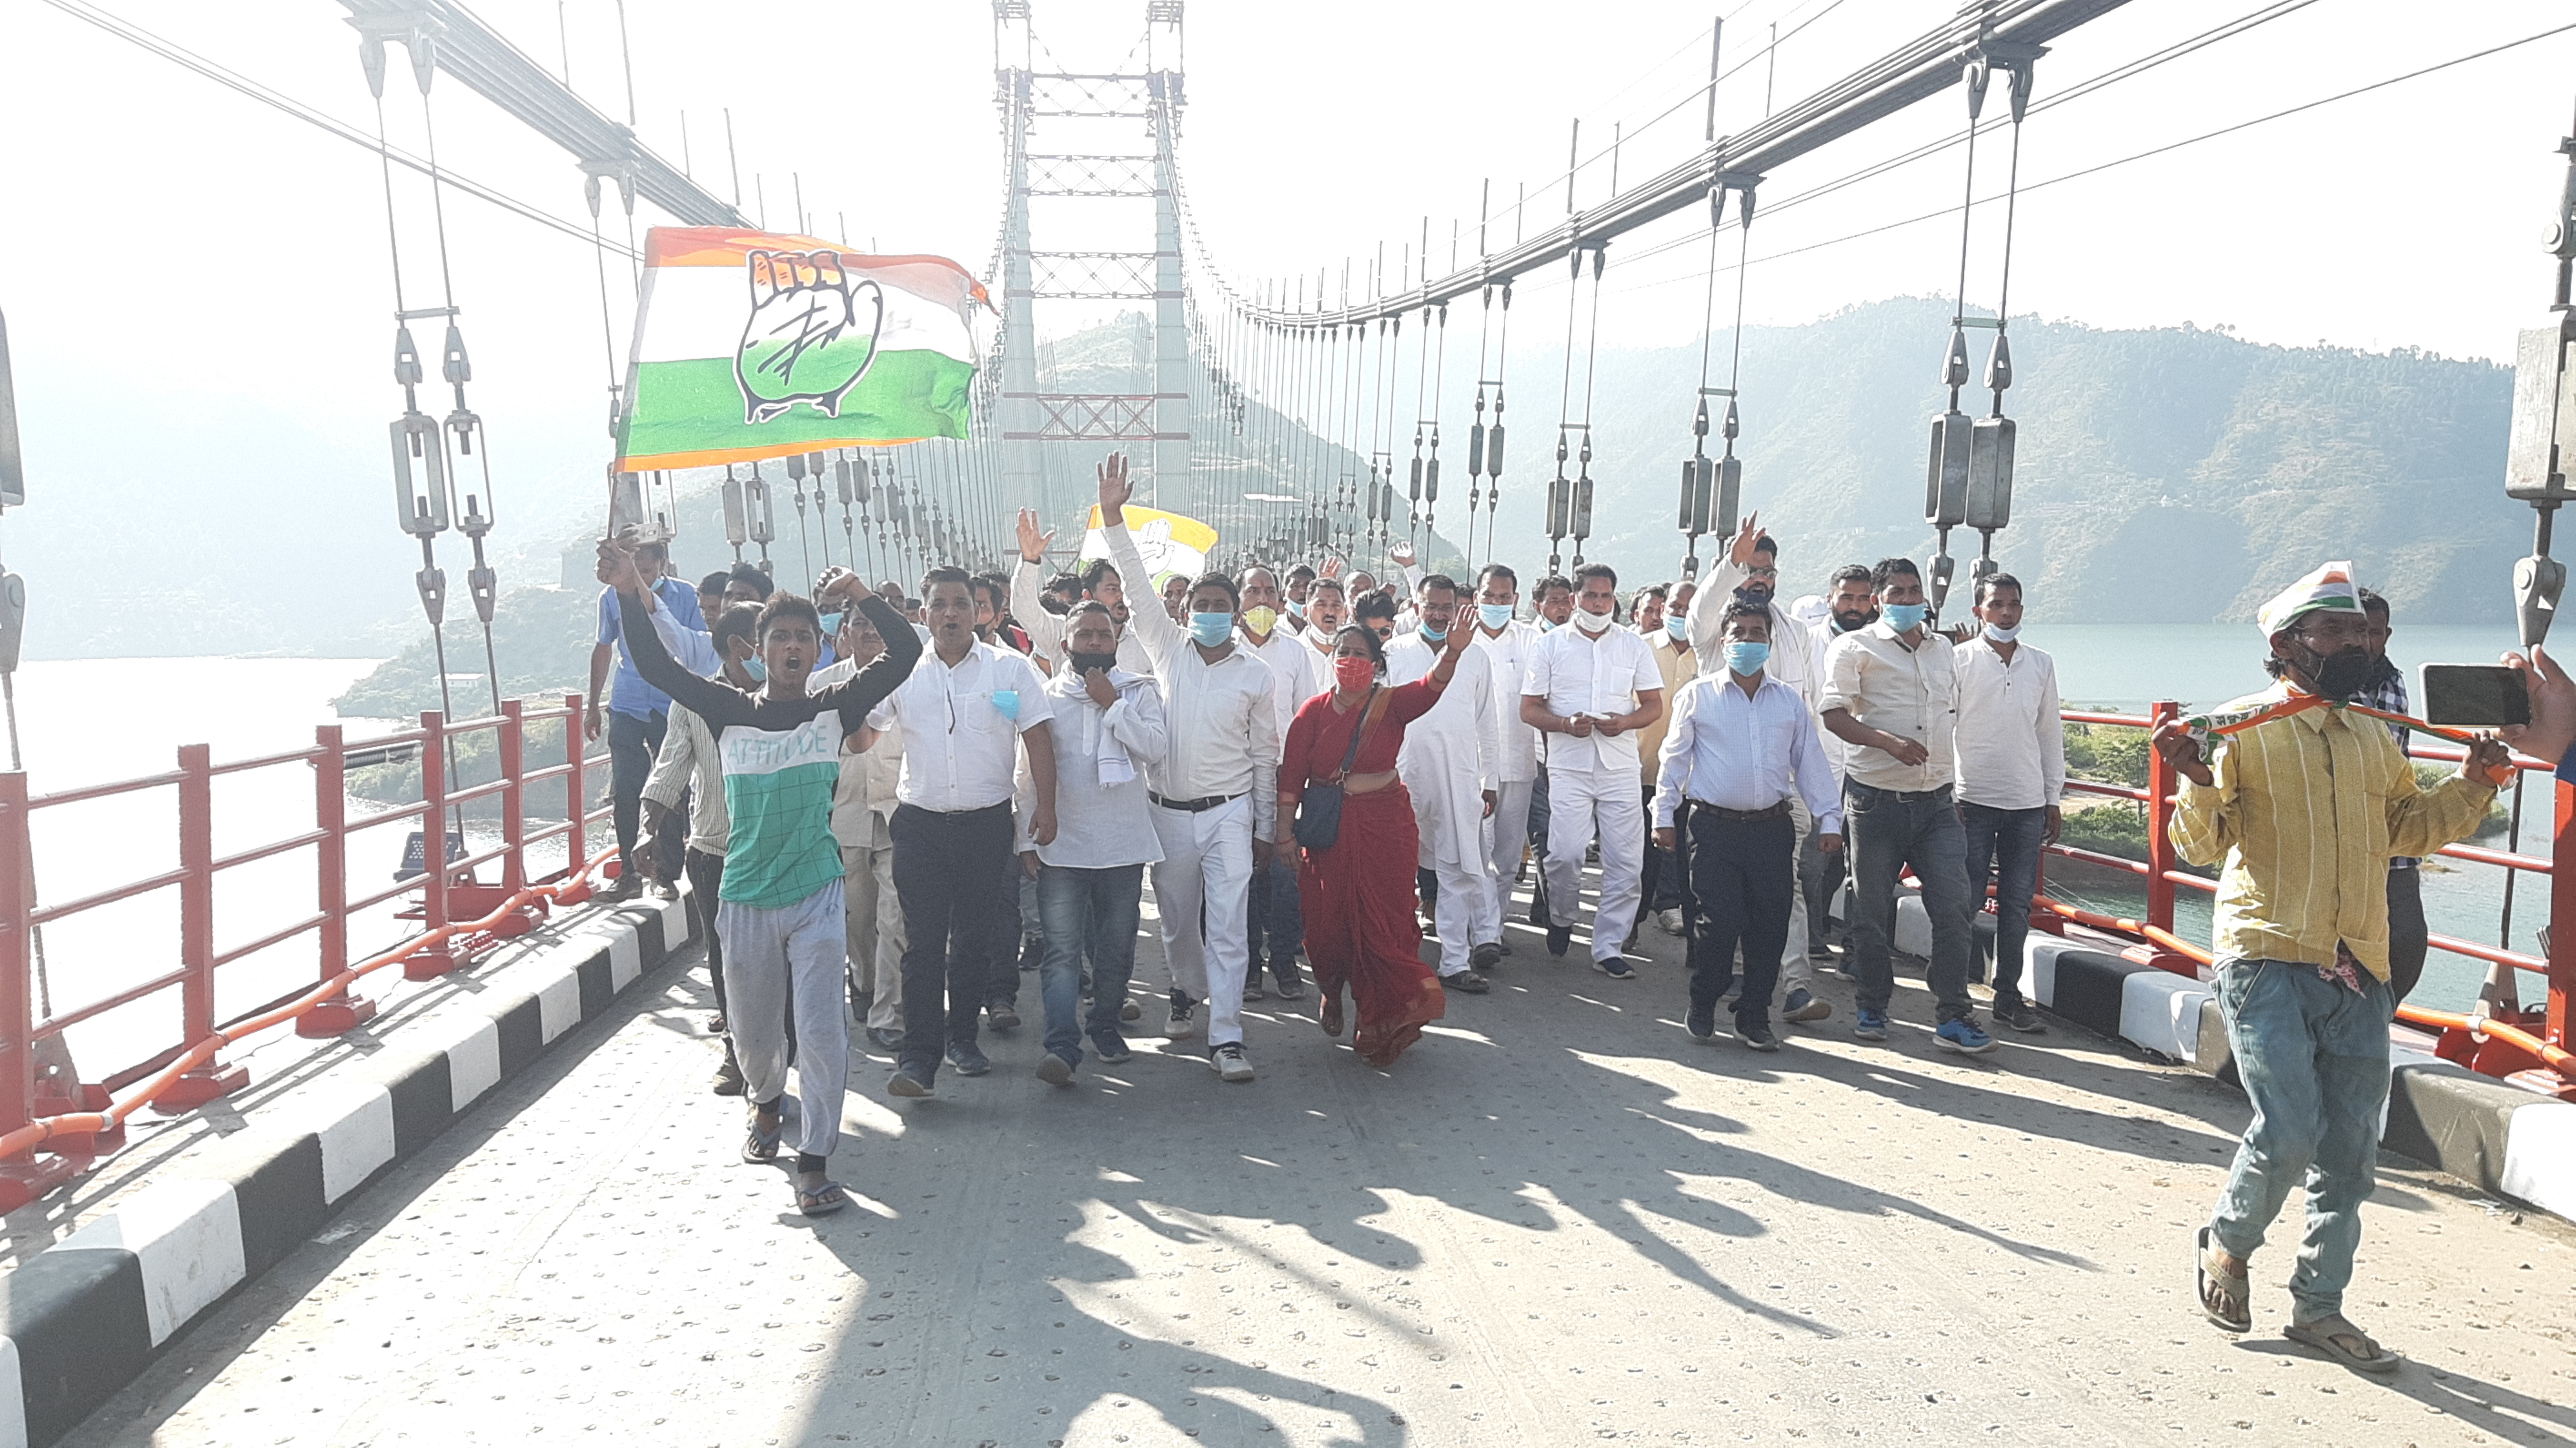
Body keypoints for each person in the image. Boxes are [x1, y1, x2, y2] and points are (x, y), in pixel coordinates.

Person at [2155, 561, 2505, 1372]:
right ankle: (2228, 1242)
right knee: (2285, 1130)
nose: (2357, 643)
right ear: (2285, 645)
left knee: (2349, 1153)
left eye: (2361, 631)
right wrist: (2197, 783)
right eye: (2336, 631)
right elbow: (2196, 847)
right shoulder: (2235, 730)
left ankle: (2318, 1306)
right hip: (2268, 953)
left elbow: (2405, 830)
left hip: (2360, 963)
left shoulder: (2369, 739)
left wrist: (2471, 783)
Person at [603, 542, 919, 1218]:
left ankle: (815, 1161)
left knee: (823, 1029)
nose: (795, 647)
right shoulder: (726, 708)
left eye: (806, 636)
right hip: (745, 894)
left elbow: (905, 654)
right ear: (760, 648)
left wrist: (862, 594)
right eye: (782, 638)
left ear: (818, 647)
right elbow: (656, 663)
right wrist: (630, 591)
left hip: (816, 893)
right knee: (752, 1035)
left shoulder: (835, 706)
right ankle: (767, 1102)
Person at [1100, 453, 1282, 1083]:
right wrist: (1116, 518)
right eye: (1199, 602)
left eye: (1218, 604)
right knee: (1178, 924)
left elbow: (1265, 757)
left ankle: (1227, 1037)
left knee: (1230, 928)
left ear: (1235, 614)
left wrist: (1264, 827)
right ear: (1186, 613)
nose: (1208, 611)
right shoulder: (1168, 647)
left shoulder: (1257, 676)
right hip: (1168, 815)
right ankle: (1185, 990)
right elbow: (1135, 583)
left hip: (1229, 814)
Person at [865, 566, 1060, 1097]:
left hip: (985, 825)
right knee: (923, 944)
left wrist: (1046, 807)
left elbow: (1038, 735)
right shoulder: (902, 672)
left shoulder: (1010, 671)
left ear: (979, 612)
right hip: (921, 827)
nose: (950, 613)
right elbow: (864, 735)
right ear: (923, 614)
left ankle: (963, 1039)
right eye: (939, 604)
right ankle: (919, 1058)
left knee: (973, 940)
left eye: (961, 603)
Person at [1275, 621, 1477, 1066]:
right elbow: (1290, 779)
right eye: (1342, 651)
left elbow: (1430, 688)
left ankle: (1378, 1018)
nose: (1350, 659)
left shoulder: (1391, 705)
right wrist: (1284, 834)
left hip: (1387, 826)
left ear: (1377, 665)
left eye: (1360, 653)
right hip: (1330, 833)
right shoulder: (1312, 712)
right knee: (1326, 926)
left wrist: (1453, 652)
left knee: (1383, 926)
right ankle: (1331, 989)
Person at [1654, 603, 1844, 1051]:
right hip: (1714, 828)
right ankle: (1704, 1000)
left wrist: (1829, 818)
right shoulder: (1699, 695)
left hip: (1771, 829)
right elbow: (1674, 758)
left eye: (1757, 633)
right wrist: (1663, 815)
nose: (1748, 640)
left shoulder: (1788, 702)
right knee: (1718, 924)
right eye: (1739, 632)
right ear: (1724, 642)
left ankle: (1754, 1014)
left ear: (1769, 642)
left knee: (1770, 924)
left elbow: (1811, 763)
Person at [1819, 557, 1991, 1053]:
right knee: (1871, 910)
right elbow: (1833, 713)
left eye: (1914, 592)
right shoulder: (1854, 648)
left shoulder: (1943, 651)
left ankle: (1955, 1014)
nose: (1908, 600)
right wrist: (1888, 743)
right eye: (1896, 592)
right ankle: (1873, 1004)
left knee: (1955, 907)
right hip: (1875, 801)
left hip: (1936, 802)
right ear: (1877, 600)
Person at [1019, 601, 1168, 1083]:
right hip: (1062, 845)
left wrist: (1113, 704)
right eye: (1085, 635)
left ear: (1116, 642)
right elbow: (1026, 770)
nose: (1095, 643)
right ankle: (1061, 1047)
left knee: (1116, 946)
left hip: (1122, 846)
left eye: (1103, 635)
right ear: (1066, 644)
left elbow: (1154, 749)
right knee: (1062, 951)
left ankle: (1104, 1025)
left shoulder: (1139, 691)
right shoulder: (1044, 696)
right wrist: (1026, 836)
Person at [1693, 519, 1835, 1023]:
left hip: (1783, 795)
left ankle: (1795, 986)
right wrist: (1731, 565)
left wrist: (1825, 803)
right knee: (1727, 906)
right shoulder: (1715, 631)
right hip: (1720, 799)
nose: (1759, 579)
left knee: (1785, 893)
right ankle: (1715, 982)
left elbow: (1812, 708)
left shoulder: (1793, 634)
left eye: (1766, 571)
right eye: (1750, 570)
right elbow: (1701, 610)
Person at [638, 603, 764, 1094]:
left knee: (779, 958)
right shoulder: (692, 702)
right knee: (725, 958)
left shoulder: (789, 699)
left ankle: (775, 1047)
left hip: (778, 850)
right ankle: (737, 1052)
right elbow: (670, 766)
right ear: (739, 647)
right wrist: (647, 828)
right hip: (715, 850)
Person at [1522, 564, 1666, 976]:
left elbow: (1653, 706)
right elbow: (1529, 708)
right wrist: (1566, 725)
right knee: (1564, 854)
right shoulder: (1550, 646)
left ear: (1615, 600)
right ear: (1574, 599)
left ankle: (1608, 946)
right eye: (1590, 596)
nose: (1599, 604)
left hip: (1620, 767)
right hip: (1569, 765)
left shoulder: (1633, 646)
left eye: (1605, 597)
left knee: (1625, 862)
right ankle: (1562, 916)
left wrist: (1624, 723)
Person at [1952, 573, 2065, 1034]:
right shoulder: (1957, 661)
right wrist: (1947, 789)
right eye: (1996, 604)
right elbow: (1943, 726)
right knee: (1967, 899)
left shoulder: (2040, 664)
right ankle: (1955, 994)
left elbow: (2049, 733)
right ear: (1979, 610)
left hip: (2026, 801)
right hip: (1972, 798)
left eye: (2014, 604)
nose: (2006, 612)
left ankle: (2008, 996)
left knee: (2017, 904)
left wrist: (2051, 797)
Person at [1387, 573, 1503, 993]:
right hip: (1401, 776)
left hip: (1459, 777)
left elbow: (1487, 722)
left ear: (1458, 609)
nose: (1438, 614)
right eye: (1430, 606)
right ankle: (1397, 959)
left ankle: (1455, 962)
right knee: (1398, 871)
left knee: (1458, 871)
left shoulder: (1476, 657)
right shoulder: (1393, 652)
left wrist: (1490, 779)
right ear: (1416, 607)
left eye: (1446, 607)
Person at [809, 606, 908, 1054]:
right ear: (845, 633)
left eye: (878, 625)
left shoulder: (911, 678)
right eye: (861, 625)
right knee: (858, 916)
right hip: (844, 811)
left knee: (896, 916)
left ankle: (890, 1010)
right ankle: (864, 982)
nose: (870, 633)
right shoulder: (821, 686)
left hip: (899, 810)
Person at [588, 538, 708, 901]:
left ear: (663, 565)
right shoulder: (611, 598)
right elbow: (604, 647)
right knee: (625, 790)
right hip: (627, 700)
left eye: (647, 570)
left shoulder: (686, 597)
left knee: (669, 788)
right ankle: (629, 873)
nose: (640, 577)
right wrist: (593, 704)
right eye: (634, 568)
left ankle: (667, 873)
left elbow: (697, 649)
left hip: (670, 703)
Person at [1238, 565, 1320, 1001]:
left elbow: (1307, 718)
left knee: (1288, 872)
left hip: (1284, 776)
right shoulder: (1222, 650)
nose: (1263, 599)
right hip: (1235, 776)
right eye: (1254, 591)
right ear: (1240, 598)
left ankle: (1284, 961)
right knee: (1245, 872)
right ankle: (1250, 964)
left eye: (1270, 591)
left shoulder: (1294, 653)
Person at [2352, 588, 2428, 1006]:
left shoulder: (2395, 682)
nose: (2365, 642)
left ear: (2388, 634)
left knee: (2407, 940)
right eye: (2357, 631)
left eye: (2375, 632)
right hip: (2345, 832)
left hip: (2393, 833)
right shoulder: (2326, 687)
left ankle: (2380, 1018)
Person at [1804, 564, 1877, 960]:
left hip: (1869, 768)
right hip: (1820, 767)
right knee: (1815, 863)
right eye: (1847, 598)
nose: (1854, 606)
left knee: (1862, 868)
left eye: (1863, 598)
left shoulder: (1880, 645)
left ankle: (1854, 949)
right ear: (1831, 598)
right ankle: (1813, 939)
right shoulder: (1808, 644)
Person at [1469, 564, 1545, 941]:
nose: (1496, 603)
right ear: (1476, 598)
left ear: (1515, 600)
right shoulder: (1462, 641)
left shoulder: (1532, 640)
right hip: (1473, 766)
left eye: (1504, 598)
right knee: (1475, 851)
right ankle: (1479, 931)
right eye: (1489, 596)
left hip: (1518, 761)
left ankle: (1493, 930)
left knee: (1507, 856)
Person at [1010, 513, 1156, 674]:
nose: (1121, 596)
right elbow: (1024, 611)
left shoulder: (1145, 642)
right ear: (1087, 596)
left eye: (1125, 590)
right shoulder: (1062, 631)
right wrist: (1030, 561)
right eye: (1112, 589)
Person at [1633, 581, 1695, 942]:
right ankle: (1630, 926)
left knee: (1690, 864)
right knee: (1640, 861)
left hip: (1692, 779)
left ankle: (1694, 945)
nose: (1681, 615)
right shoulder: (1638, 650)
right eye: (1675, 607)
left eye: (1690, 608)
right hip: (1642, 772)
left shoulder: (1712, 653)